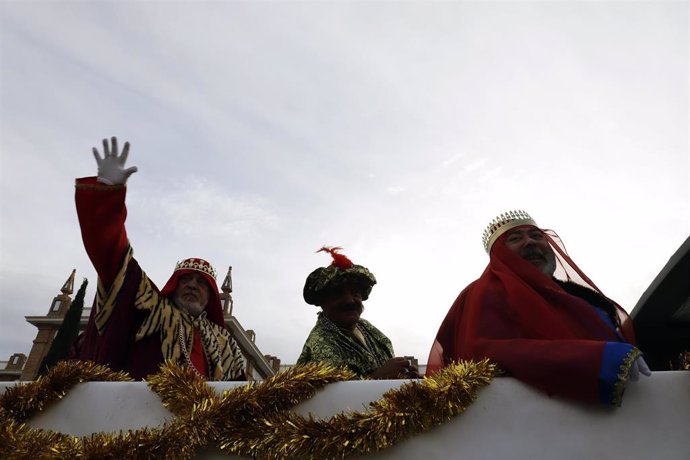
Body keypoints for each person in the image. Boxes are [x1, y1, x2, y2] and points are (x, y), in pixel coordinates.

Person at [427, 210, 650, 406]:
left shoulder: (579, 297)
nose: (530, 242)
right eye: (515, 238)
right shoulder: (483, 292)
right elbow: (481, 353)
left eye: (536, 236)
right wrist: (598, 358)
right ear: (500, 255)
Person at [76, 137, 245, 380]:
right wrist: (107, 196)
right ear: (175, 284)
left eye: (200, 282)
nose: (192, 285)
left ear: (210, 295)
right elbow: (113, 256)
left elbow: (242, 394)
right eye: (186, 279)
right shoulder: (150, 307)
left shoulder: (226, 343)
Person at [297, 247, 419, 379]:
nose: (350, 300)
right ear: (322, 302)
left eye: (355, 292)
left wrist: (405, 379)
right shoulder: (319, 344)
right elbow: (331, 396)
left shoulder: (365, 327)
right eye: (338, 294)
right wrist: (379, 378)